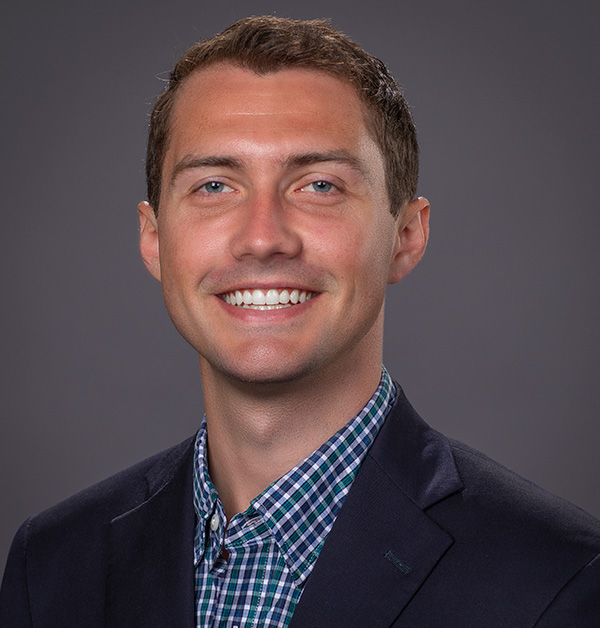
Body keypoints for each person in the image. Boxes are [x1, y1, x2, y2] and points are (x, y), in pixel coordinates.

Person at [1, 15, 599, 627]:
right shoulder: (49, 566)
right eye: (214, 185)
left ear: (406, 236)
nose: (263, 238)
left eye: (318, 185)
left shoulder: (562, 580)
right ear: (154, 240)